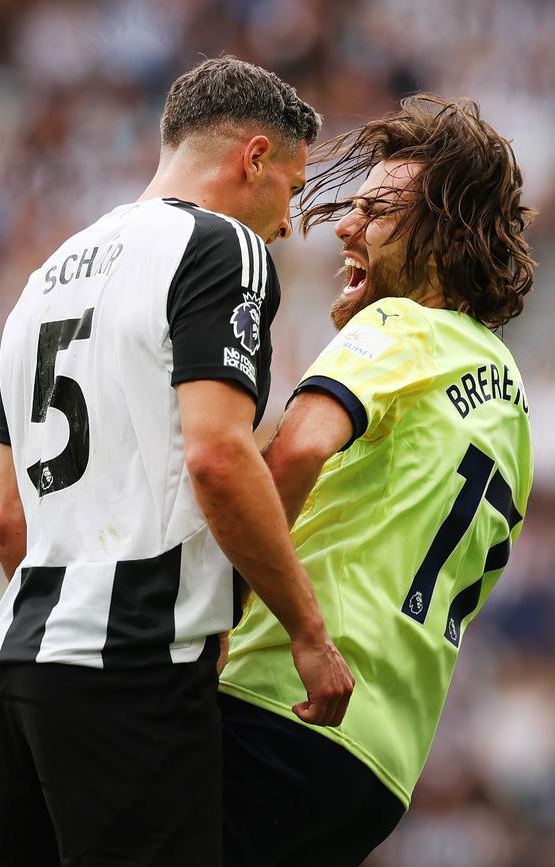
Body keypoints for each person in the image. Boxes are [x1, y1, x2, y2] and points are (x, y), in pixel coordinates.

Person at [0, 57, 355, 867]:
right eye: (290, 187)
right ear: (252, 158)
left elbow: (9, 523)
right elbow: (217, 454)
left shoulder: (41, 280)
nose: (286, 223)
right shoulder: (222, 247)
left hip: (10, 663)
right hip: (131, 663)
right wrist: (307, 633)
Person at [219, 94, 534, 867]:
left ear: (444, 240)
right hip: (379, 769)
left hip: (276, 703)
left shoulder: (400, 326)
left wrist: (214, 617)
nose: (345, 226)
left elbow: (293, 456)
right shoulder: (512, 403)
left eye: (379, 210)